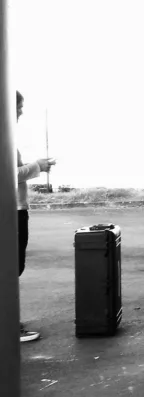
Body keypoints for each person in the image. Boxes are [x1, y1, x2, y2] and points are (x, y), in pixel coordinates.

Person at [15, 90, 56, 343]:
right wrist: (36, 167)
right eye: (18, 106)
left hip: (17, 209)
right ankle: (8, 327)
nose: (21, 111)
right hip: (11, 212)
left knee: (13, 268)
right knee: (10, 268)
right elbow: (7, 173)